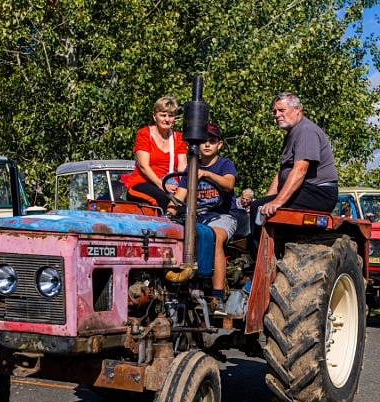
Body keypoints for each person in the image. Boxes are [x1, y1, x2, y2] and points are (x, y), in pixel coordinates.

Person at [167, 123, 238, 316]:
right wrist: (170, 212)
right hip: (196, 216)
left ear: (219, 144)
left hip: (221, 216)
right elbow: (180, 196)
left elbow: (229, 184)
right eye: (203, 141)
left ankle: (217, 296)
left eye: (212, 141)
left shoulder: (224, 164)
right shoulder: (191, 168)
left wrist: (206, 174)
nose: (207, 145)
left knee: (214, 236)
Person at [251, 92, 338, 229]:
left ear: (297, 109)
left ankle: (262, 250)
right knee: (259, 205)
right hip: (305, 190)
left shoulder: (306, 131)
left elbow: (300, 170)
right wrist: (268, 199)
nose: (277, 115)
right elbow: (282, 173)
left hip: (318, 193)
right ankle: (267, 248)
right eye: (275, 111)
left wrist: (277, 202)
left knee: (260, 209)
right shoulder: (292, 134)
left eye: (281, 110)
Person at [123, 96, 187, 211]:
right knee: (165, 199)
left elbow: (182, 166)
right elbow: (143, 166)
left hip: (171, 184)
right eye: (163, 115)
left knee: (188, 203)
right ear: (155, 116)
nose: (167, 119)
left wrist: (184, 188)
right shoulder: (144, 134)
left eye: (171, 116)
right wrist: (162, 185)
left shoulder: (179, 138)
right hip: (144, 183)